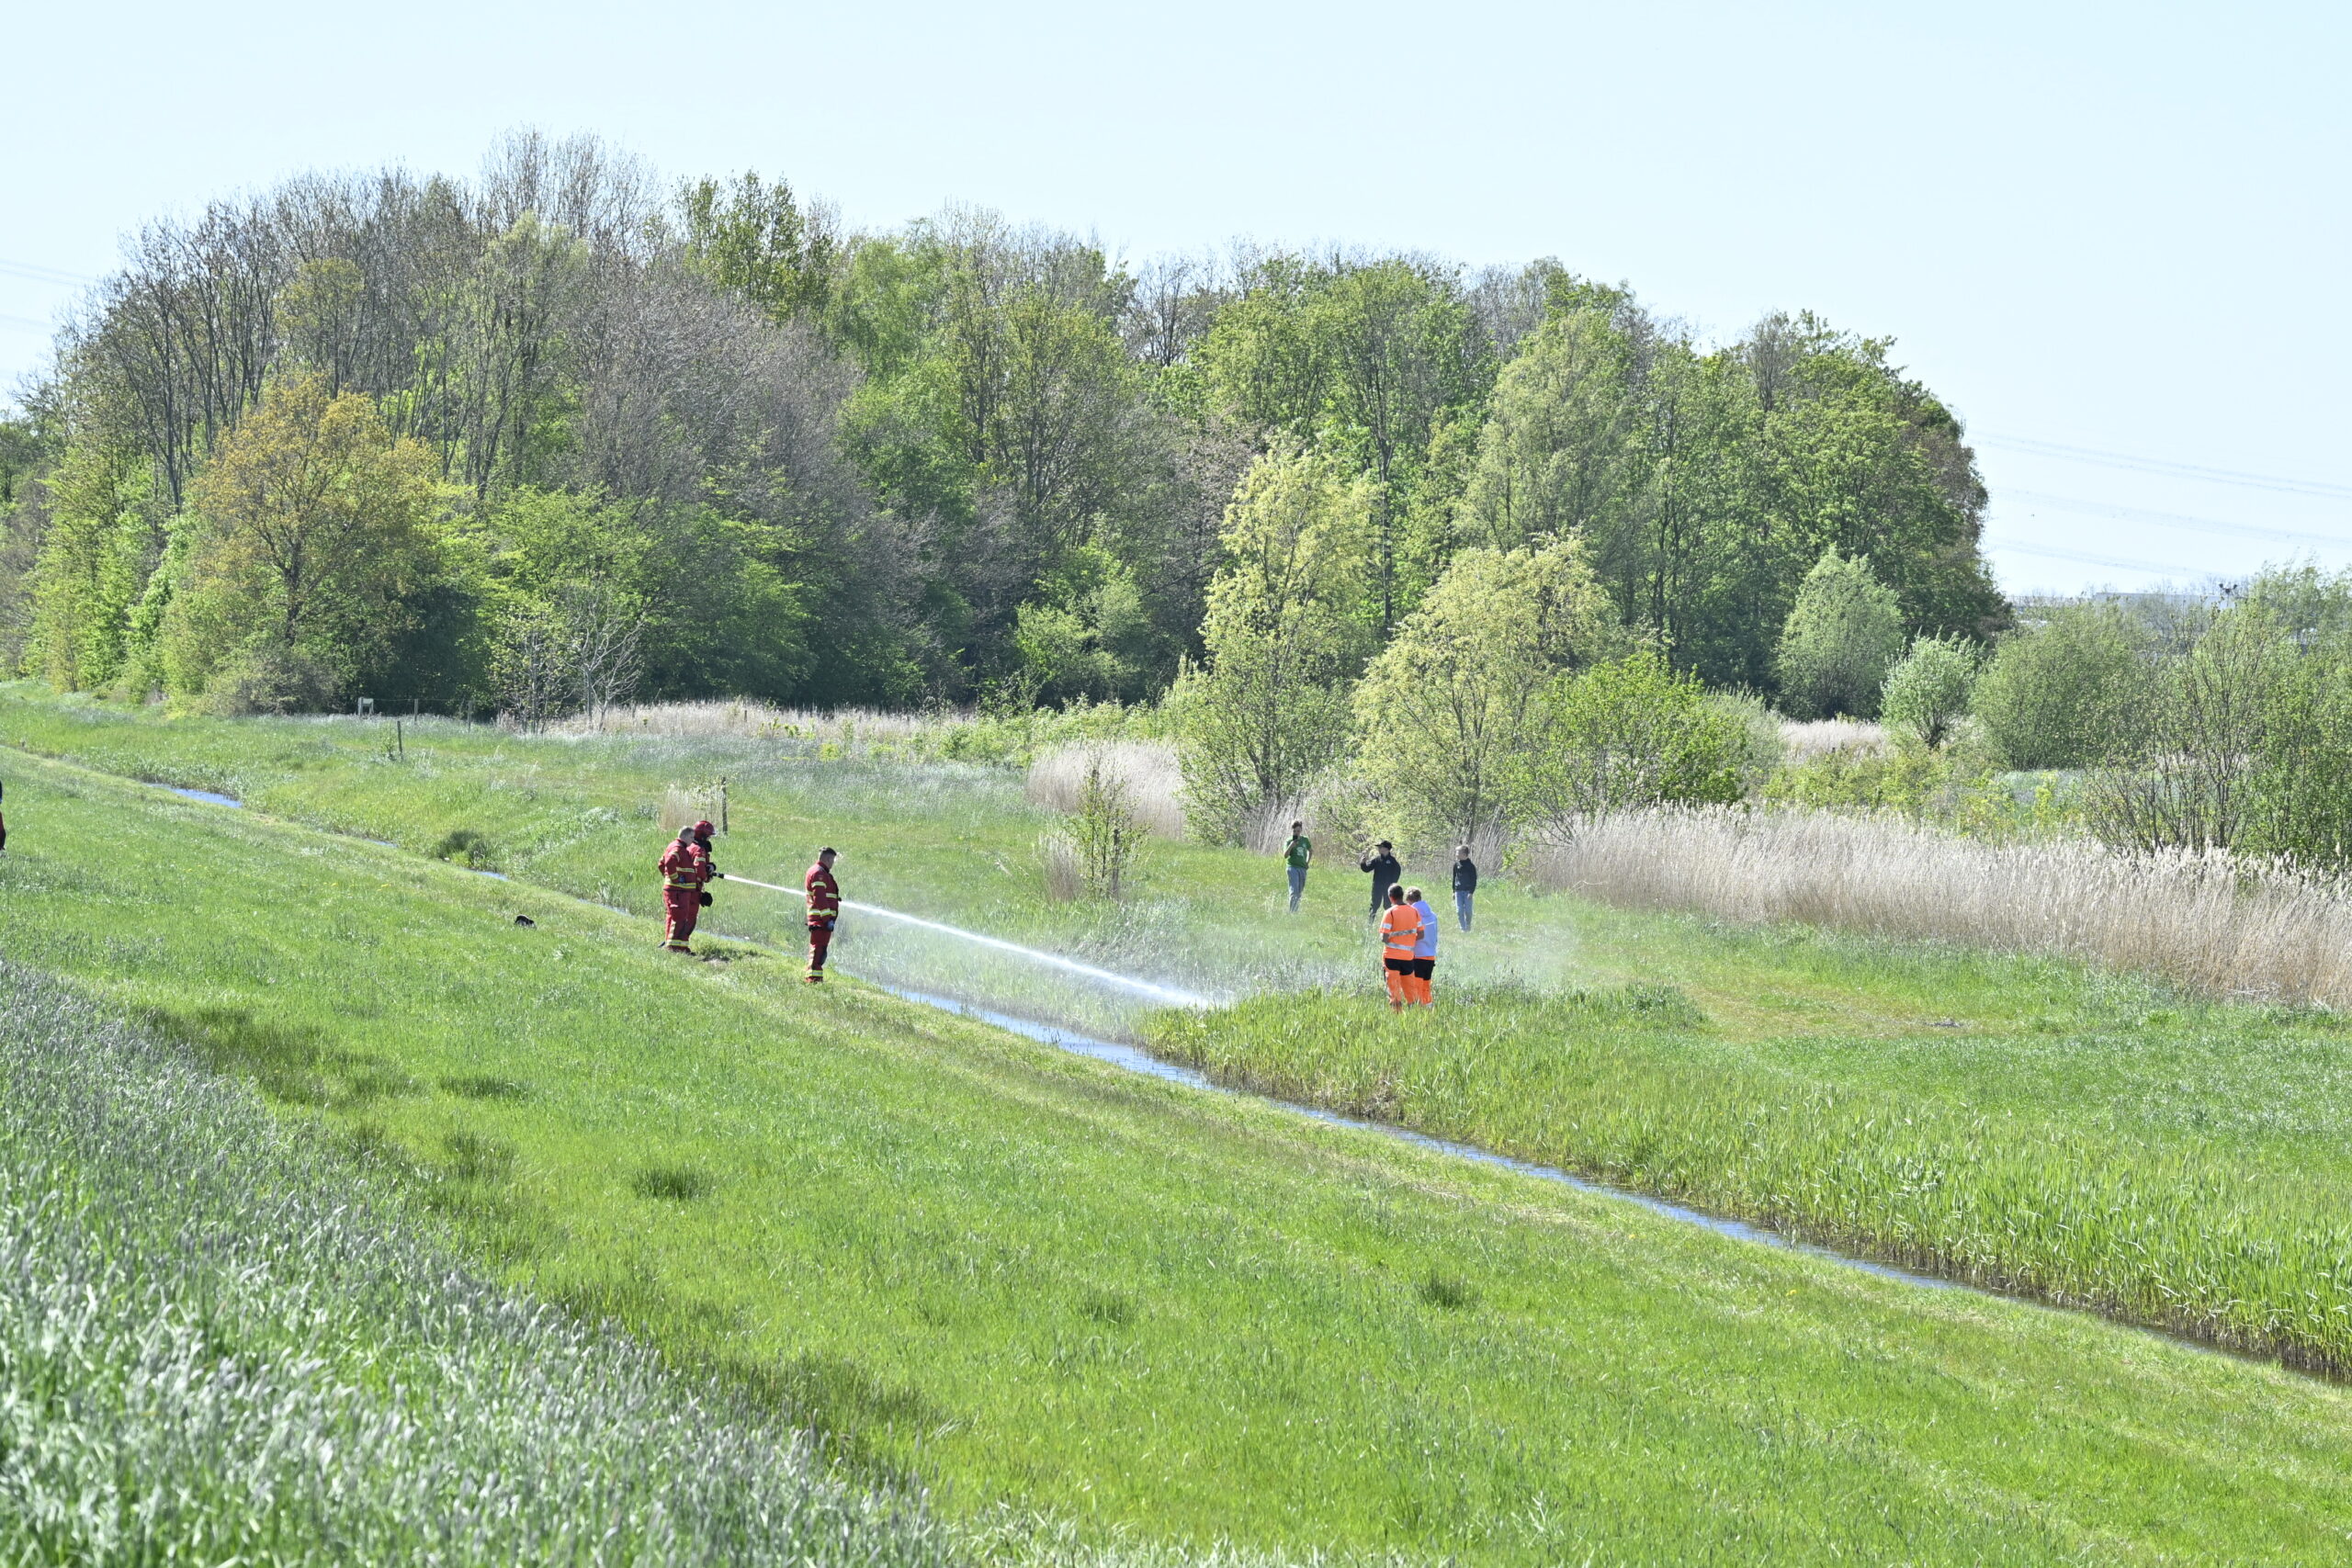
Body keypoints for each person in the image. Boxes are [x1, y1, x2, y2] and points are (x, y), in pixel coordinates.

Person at [657, 826, 712, 953]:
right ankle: (674, 948)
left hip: (680, 890)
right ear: (686, 836)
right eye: (691, 838)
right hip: (679, 890)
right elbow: (670, 861)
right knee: (680, 917)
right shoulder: (679, 848)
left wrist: (669, 877)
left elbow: (661, 863)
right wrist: (675, 879)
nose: (693, 841)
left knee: (674, 917)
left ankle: (677, 947)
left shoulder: (679, 847)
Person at [1377, 885, 1423, 1011]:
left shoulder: (1390, 913)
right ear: (1402, 895)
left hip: (1391, 957)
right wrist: (1408, 941)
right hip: (1408, 957)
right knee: (1410, 987)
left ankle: (1397, 1013)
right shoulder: (1414, 911)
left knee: (1393, 987)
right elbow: (1421, 934)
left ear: (1391, 897)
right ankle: (1415, 1013)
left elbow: (1384, 938)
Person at [804, 846, 842, 984]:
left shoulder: (818, 872)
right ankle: (813, 980)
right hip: (821, 921)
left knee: (820, 951)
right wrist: (827, 920)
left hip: (821, 920)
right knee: (818, 951)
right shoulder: (819, 873)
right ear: (827, 859)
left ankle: (815, 979)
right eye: (832, 860)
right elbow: (820, 898)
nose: (833, 863)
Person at [1407, 885, 1439, 1006]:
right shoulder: (1433, 915)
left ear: (1409, 900)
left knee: (1416, 986)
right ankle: (1428, 1008)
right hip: (1430, 955)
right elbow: (1436, 936)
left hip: (1418, 955)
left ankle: (1417, 1010)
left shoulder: (1412, 914)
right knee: (1426, 986)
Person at [1359, 840, 1400, 924]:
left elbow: (1397, 872)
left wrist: (1393, 884)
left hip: (1389, 888)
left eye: (1380, 847)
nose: (1379, 849)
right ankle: (1369, 925)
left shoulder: (1393, 861)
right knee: (1374, 905)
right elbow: (1367, 869)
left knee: (1387, 906)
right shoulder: (1377, 859)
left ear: (1386, 849)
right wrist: (1363, 863)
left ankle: (1389, 925)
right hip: (1377, 887)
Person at [1283, 820, 1312, 911]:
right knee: (1294, 890)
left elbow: (1310, 851)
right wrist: (1291, 845)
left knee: (1299, 891)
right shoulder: (1289, 841)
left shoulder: (1305, 840)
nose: (1296, 833)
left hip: (1302, 868)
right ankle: (1292, 912)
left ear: (1301, 830)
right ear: (1292, 831)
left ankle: (1296, 909)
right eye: (1294, 831)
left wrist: (1307, 863)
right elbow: (1285, 855)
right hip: (1292, 867)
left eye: (1298, 831)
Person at [1451, 844, 1477, 932]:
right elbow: (1454, 878)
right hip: (1458, 891)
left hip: (1467, 892)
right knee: (1459, 911)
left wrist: (1471, 892)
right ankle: (1463, 928)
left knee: (1468, 911)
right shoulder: (1456, 864)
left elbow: (1474, 880)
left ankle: (1468, 924)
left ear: (1464, 854)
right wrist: (1453, 891)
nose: (1456, 853)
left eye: (1458, 852)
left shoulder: (1471, 866)